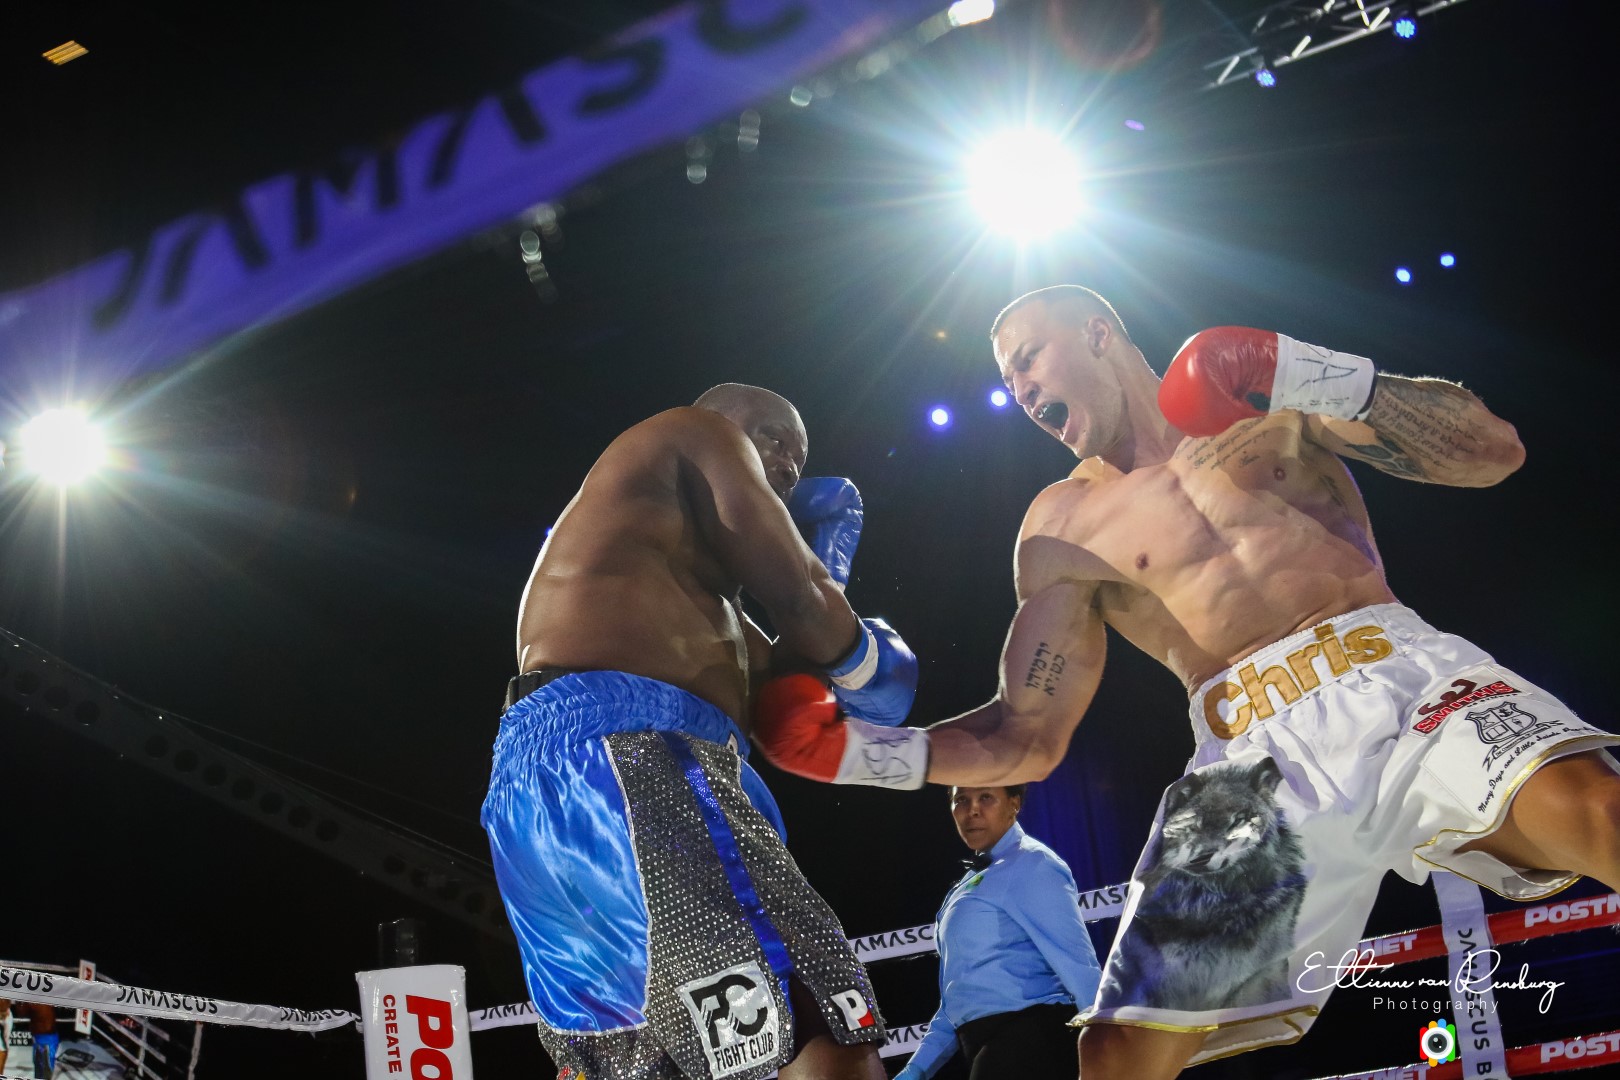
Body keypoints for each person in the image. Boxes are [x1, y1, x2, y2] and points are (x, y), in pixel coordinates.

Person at [753, 287, 1620, 1078]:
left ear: (1098, 333)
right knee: (1118, 1051)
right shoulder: (1061, 527)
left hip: (1397, 673)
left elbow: (1490, 452)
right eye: (1007, 377)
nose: (1018, 388)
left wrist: (1300, 368)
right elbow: (1026, 735)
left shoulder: (1266, 402)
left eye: (1028, 358)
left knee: (1600, 813)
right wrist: (857, 753)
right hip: (1249, 748)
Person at [481, 383, 919, 1080]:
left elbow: (789, 712)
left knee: (638, 1055)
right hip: (635, 757)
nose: (787, 464)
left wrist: (828, 589)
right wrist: (863, 651)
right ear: (726, 423)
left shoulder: (705, 611)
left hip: (548, 799)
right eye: (774, 437)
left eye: (799, 458)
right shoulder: (695, 431)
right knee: (815, 1016)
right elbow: (806, 604)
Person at [896, 785, 1100, 1080]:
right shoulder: (970, 881)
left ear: (1014, 804)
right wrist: (916, 1069)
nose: (972, 810)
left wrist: (1108, 1048)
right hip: (988, 1045)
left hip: (1030, 1038)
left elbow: (1079, 964)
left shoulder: (1032, 863)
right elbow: (959, 998)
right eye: (961, 800)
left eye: (985, 797)